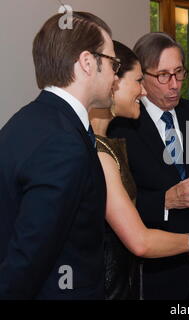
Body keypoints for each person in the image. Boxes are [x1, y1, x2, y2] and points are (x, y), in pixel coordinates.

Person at [0, 12, 116, 299]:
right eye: (114, 63)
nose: (116, 74)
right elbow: (28, 258)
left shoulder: (24, 121)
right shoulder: (63, 142)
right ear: (88, 63)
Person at [89, 40, 189, 299]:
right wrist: (166, 201)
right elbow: (115, 204)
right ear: (142, 77)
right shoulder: (119, 125)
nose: (174, 84)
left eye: (179, 73)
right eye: (163, 75)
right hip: (155, 273)